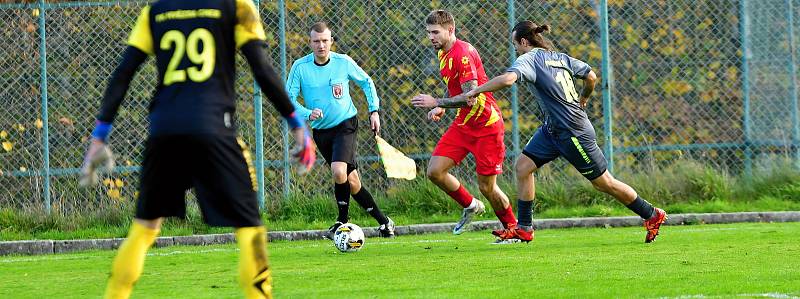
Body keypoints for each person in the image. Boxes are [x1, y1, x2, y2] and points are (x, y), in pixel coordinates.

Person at [78, 1, 316, 298]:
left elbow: (123, 72)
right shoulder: (236, 6)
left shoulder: (156, 11)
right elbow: (262, 69)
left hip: (164, 132)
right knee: (249, 228)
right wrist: (296, 123)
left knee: (143, 229)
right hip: (214, 129)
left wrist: (99, 136)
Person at [455, 20, 667, 243]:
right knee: (523, 167)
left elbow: (508, 80)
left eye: (515, 44)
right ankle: (524, 228)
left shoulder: (529, 58)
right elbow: (591, 76)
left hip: (572, 131)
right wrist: (584, 96)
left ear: (524, 41)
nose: (515, 49)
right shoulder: (560, 57)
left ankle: (652, 214)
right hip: (552, 130)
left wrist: (477, 90)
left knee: (604, 183)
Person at [411, 9, 526, 242]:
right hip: (464, 124)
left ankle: (514, 229)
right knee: (435, 171)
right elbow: (456, 88)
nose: (431, 37)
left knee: (487, 186)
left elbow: (470, 96)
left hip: (486, 125)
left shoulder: (462, 53)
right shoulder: (443, 52)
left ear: (450, 30)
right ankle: (471, 205)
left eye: (435, 32)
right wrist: (443, 106)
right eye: (428, 33)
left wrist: (436, 101)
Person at [286, 22, 395, 239]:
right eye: (316, 41)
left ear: (331, 42)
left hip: (346, 124)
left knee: (338, 171)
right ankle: (384, 222)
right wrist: (307, 113)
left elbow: (367, 82)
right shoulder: (300, 67)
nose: (321, 45)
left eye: (325, 41)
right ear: (310, 43)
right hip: (321, 131)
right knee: (352, 182)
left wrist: (374, 110)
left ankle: (342, 222)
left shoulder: (343, 62)